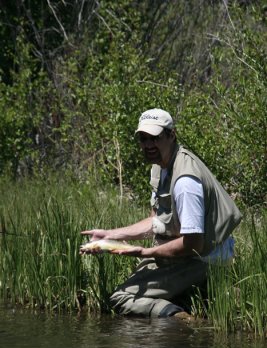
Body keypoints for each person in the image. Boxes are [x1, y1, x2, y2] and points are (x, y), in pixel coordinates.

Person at [81, 108, 242, 318]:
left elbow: (194, 244)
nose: (148, 145)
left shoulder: (185, 182)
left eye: (155, 138)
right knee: (138, 279)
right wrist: (111, 235)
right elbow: (156, 221)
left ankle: (180, 319)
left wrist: (145, 252)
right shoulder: (161, 166)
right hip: (190, 256)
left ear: (171, 135)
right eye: (143, 139)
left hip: (204, 259)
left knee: (120, 297)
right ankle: (211, 293)